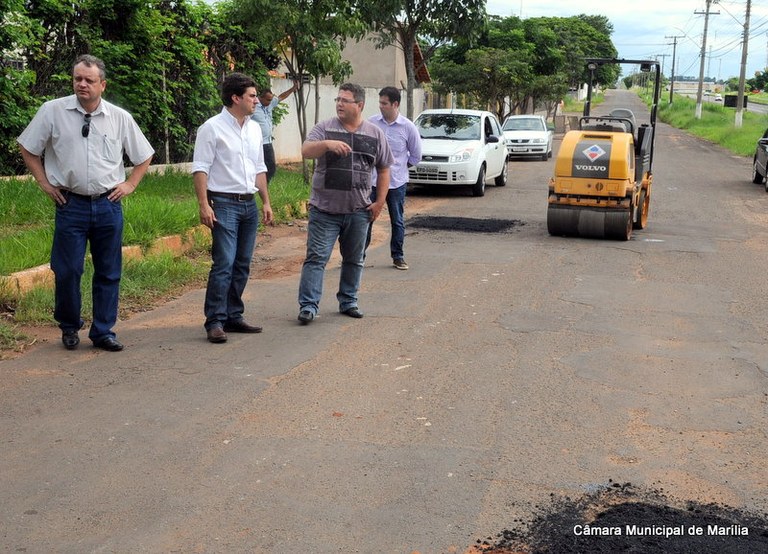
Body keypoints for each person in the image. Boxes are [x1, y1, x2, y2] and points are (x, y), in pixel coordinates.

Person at [17, 54, 154, 352]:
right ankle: (69, 325)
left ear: (102, 85)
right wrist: (43, 182)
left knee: (108, 269)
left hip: (108, 204)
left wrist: (130, 183)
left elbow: (144, 155)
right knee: (66, 270)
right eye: (78, 78)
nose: (82, 84)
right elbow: (28, 148)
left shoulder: (119, 118)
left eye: (89, 80)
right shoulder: (52, 111)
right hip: (70, 204)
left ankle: (103, 331)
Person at [297, 83, 393, 324]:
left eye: (345, 100)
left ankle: (348, 300)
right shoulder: (325, 128)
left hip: (359, 211)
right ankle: (308, 306)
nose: (339, 104)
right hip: (324, 210)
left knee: (354, 258)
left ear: (359, 105)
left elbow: (383, 169)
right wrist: (326, 145)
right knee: (317, 258)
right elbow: (306, 150)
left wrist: (379, 202)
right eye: (337, 99)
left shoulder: (375, 133)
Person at [192, 72, 273, 344]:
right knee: (224, 263)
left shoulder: (254, 128)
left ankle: (233, 315)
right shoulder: (211, 128)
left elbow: (259, 167)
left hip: (248, 204)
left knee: (242, 264)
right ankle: (214, 320)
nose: (256, 101)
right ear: (235, 98)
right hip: (224, 203)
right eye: (252, 96)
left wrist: (266, 201)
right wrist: (204, 204)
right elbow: (200, 168)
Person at [366, 86, 422, 270]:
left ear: (395, 104)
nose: (381, 106)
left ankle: (398, 256)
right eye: (380, 103)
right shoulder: (372, 124)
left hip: (396, 183)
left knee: (397, 220)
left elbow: (415, 156)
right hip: (373, 181)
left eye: (384, 103)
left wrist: (398, 169)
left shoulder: (408, 127)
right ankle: (358, 256)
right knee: (366, 218)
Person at [251, 80, 299, 182]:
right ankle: (257, 184)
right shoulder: (253, 107)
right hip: (257, 143)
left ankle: (264, 184)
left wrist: (293, 89)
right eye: (268, 100)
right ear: (261, 98)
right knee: (257, 167)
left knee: (271, 168)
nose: (270, 102)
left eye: (271, 99)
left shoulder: (270, 103)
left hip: (267, 142)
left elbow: (281, 97)